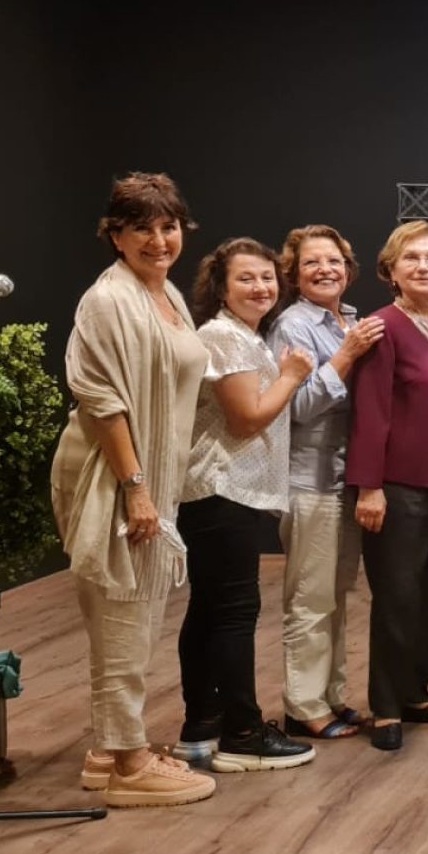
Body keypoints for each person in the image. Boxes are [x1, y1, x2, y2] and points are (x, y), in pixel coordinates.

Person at [53, 172, 215, 807]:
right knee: (123, 608)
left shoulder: (165, 291)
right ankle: (128, 763)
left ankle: (107, 748)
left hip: (149, 475)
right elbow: (100, 400)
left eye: (168, 225)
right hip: (115, 474)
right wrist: (136, 487)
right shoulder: (109, 300)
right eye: (141, 227)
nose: (158, 239)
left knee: (138, 610)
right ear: (114, 234)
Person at [173, 238, 316, 773]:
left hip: (226, 494)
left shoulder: (244, 338)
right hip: (220, 490)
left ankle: (202, 726)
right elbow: (247, 418)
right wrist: (292, 376)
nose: (261, 287)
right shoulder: (224, 338)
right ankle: (243, 732)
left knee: (211, 609)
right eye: (246, 279)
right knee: (233, 612)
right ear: (220, 288)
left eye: (267, 278)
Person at [347, 221, 428, 752]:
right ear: (391, 271)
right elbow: (370, 414)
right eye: (411, 258)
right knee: (396, 596)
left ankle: (416, 691)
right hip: (397, 484)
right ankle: (386, 707)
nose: (423, 267)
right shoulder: (382, 327)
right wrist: (369, 487)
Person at [269, 225, 386, 741]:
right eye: (312, 263)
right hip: (309, 480)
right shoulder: (292, 326)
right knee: (309, 600)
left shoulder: (354, 321)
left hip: (348, 480)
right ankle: (301, 706)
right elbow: (293, 408)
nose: (325, 270)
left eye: (334, 261)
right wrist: (345, 358)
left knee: (337, 596)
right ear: (293, 274)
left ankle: (332, 697)